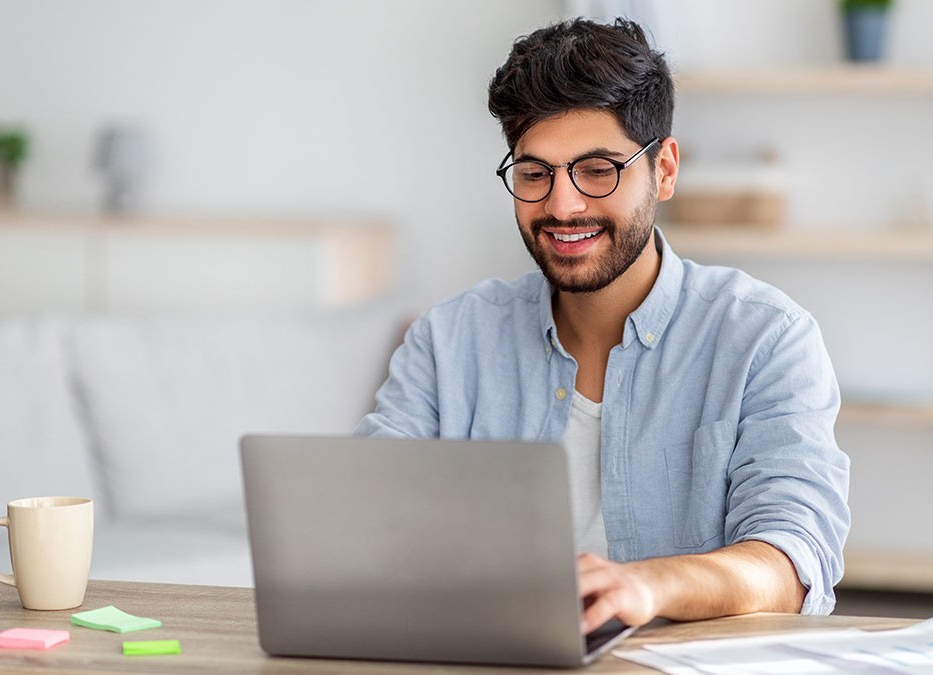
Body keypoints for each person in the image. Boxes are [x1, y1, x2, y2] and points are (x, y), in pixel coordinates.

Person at [354, 17, 850, 634]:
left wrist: (647, 584)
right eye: (535, 174)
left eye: (597, 170)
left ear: (664, 170)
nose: (562, 206)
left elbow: (792, 560)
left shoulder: (765, 337)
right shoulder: (449, 340)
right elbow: (367, 516)